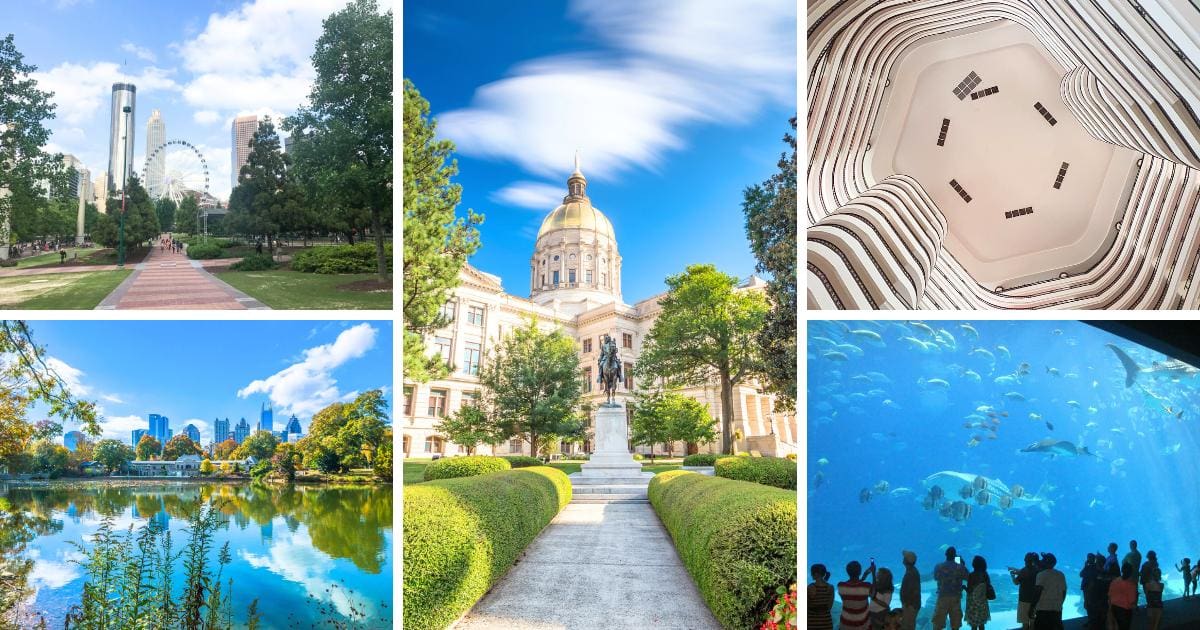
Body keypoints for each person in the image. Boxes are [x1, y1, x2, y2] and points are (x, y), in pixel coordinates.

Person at [932, 547, 969, 630]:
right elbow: (968, 577)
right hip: (956, 597)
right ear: (955, 555)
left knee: (938, 622)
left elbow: (935, 577)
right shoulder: (960, 567)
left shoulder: (939, 566)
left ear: (945, 555)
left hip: (942, 597)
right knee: (955, 624)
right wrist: (961, 563)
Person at [1033, 553, 1066, 630]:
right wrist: (1060, 603)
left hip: (1043, 609)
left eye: (1043, 560)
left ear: (1045, 562)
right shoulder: (1061, 574)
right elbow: (1064, 592)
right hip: (1057, 608)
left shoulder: (1041, 575)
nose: (1041, 561)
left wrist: (1032, 607)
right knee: (1057, 626)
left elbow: (1038, 592)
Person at [1008, 552, 1040, 629]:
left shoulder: (1023, 571)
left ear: (1025, 560)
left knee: (1025, 623)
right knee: (1032, 622)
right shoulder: (1037, 571)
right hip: (1034, 600)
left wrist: (1012, 576)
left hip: (1023, 600)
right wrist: (1017, 571)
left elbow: (1016, 582)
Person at [839, 560, 873, 629]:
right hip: (863, 625)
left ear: (847, 572)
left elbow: (855, 587)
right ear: (860, 572)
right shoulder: (866, 586)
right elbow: (873, 594)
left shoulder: (841, 586)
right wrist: (873, 574)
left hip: (846, 624)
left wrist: (864, 576)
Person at [964, 556, 992, 630]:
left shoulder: (971, 575)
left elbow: (969, 590)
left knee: (974, 625)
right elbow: (988, 587)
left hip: (973, 605)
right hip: (982, 603)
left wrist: (964, 588)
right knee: (982, 624)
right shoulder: (985, 575)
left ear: (974, 564)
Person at [1108, 563, 1136, 630]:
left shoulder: (1115, 581)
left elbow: (1109, 595)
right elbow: (1131, 600)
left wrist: (1110, 607)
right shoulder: (1131, 584)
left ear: (1122, 570)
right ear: (1131, 572)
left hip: (1114, 608)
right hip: (1124, 611)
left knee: (1115, 626)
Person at [1085, 554, 1110, 630]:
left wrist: (1086, 600)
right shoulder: (1107, 575)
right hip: (1104, 603)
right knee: (1102, 622)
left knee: (1094, 623)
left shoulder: (1094, 576)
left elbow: (1090, 589)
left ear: (1098, 564)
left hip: (1094, 604)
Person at [808, 563, 835, 630]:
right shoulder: (830, 587)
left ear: (816, 574)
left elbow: (807, 606)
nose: (811, 574)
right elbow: (829, 607)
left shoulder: (810, 587)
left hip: (812, 623)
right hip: (826, 622)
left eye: (812, 573)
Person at [1141, 551, 1163, 630]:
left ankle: (1150, 605)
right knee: (1156, 595)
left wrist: (1142, 581)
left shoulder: (1145, 564)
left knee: (1148, 595)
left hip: (1147, 582)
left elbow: (1143, 574)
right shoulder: (1156, 563)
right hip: (1155, 583)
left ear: (1148, 556)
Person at [900, 550, 921, 630]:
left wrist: (907, 604)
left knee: (907, 626)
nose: (903, 558)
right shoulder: (911, 570)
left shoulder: (911, 573)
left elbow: (914, 591)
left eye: (904, 557)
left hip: (910, 606)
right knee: (910, 625)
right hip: (911, 605)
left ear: (906, 561)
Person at [1122, 540, 1141, 609]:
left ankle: (1130, 606)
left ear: (1130, 545)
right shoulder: (1139, 554)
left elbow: (1123, 562)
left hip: (1129, 576)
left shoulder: (1129, 555)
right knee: (1135, 590)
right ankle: (1135, 605)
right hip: (1136, 575)